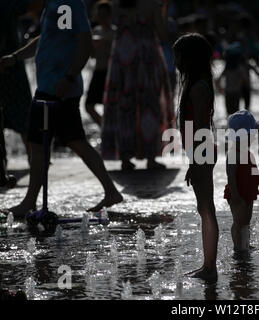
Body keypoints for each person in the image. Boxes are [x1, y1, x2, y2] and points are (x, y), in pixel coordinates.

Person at [0, 0, 123, 217]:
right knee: (70, 141)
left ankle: (29, 202)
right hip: (53, 86)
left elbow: (84, 44)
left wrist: (69, 76)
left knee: (40, 143)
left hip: (58, 88)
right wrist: (16, 57)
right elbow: (47, 39)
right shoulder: (55, 4)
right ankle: (111, 191)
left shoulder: (68, 5)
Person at [102, 0, 175, 170]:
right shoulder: (150, 5)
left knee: (123, 108)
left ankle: (125, 157)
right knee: (149, 107)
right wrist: (163, 10)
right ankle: (150, 156)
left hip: (123, 61)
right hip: (145, 60)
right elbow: (163, 34)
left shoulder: (116, 6)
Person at [173, 33, 218, 281]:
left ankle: (210, 268)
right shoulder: (196, 84)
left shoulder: (198, 87)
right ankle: (208, 265)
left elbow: (201, 127)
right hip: (200, 151)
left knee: (207, 209)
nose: (175, 61)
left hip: (203, 151)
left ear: (190, 58)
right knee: (204, 208)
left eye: (178, 56)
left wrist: (195, 162)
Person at [224, 110, 259, 252]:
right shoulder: (233, 153)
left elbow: (252, 169)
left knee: (246, 220)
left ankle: (245, 244)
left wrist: (258, 177)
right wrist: (235, 195)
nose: (254, 137)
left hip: (248, 192)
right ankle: (237, 246)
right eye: (252, 134)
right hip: (238, 193)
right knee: (238, 221)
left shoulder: (248, 153)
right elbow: (230, 175)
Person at [0, 0, 33, 163]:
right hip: (12, 63)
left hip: (11, 62)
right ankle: (33, 157)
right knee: (23, 112)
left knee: (23, 113)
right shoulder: (8, 5)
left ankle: (33, 157)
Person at [85, 1, 116, 126]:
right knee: (88, 106)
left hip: (111, 73)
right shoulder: (96, 31)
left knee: (111, 107)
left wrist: (105, 43)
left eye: (104, 14)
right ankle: (104, 128)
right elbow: (92, 55)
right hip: (98, 72)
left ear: (109, 15)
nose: (101, 17)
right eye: (99, 14)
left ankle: (111, 131)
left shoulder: (115, 32)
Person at [216, 43, 250, 116]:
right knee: (235, 113)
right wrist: (239, 86)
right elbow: (245, 79)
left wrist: (220, 89)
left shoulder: (227, 69)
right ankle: (235, 126)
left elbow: (217, 80)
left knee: (229, 113)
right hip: (236, 92)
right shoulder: (239, 69)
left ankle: (229, 126)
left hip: (227, 91)